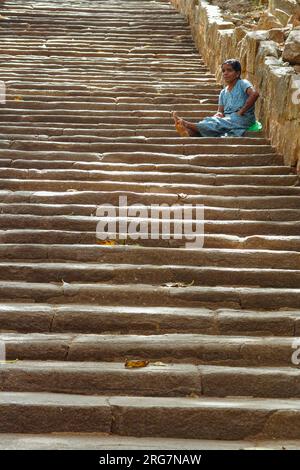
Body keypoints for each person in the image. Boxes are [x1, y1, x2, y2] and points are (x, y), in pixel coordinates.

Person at [172, 59, 260, 137]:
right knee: (211, 121)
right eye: (223, 71)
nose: (225, 73)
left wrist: (242, 111)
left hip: (243, 118)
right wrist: (218, 114)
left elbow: (255, 94)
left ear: (237, 73)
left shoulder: (242, 83)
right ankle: (189, 133)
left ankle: (186, 124)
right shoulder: (223, 92)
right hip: (228, 120)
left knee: (217, 123)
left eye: (229, 70)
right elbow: (220, 111)